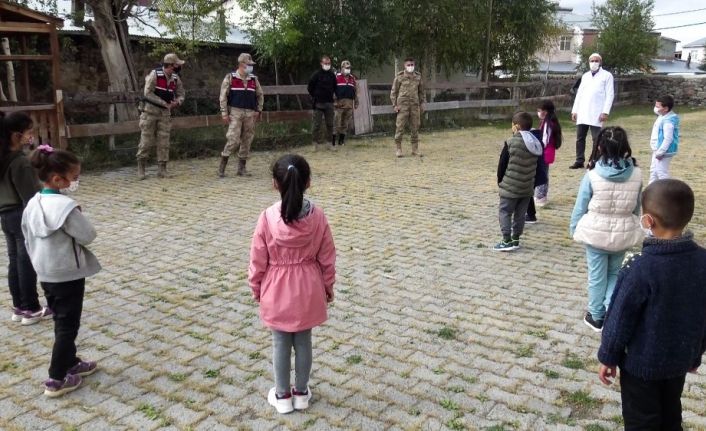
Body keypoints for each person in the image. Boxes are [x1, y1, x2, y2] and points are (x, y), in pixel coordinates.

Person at [598, 179, 706, 430]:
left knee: (642, 421)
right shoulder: (703, 261)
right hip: (679, 361)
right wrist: (695, 354)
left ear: (648, 221)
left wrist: (608, 357)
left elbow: (619, 320)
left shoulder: (639, 268)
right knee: (670, 414)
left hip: (641, 367)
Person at [248, 154, 336, 414]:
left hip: (276, 288)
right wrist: (327, 287)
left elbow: (257, 260)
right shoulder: (318, 217)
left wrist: (256, 288)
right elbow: (327, 257)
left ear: (275, 184)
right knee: (304, 341)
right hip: (308, 287)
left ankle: (282, 395)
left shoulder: (267, 218)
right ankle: (301, 393)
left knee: (280, 343)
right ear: (308, 182)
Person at [22, 146, 101, 397]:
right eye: (74, 177)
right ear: (58, 179)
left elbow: (26, 237)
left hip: (45, 272)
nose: (75, 182)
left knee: (61, 319)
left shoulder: (33, 203)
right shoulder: (66, 207)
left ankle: (70, 361)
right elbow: (88, 235)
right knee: (68, 325)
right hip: (67, 273)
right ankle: (56, 378)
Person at [570, 127, 643, 332]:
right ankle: (613, 310)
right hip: (622, 233)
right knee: (614, 274)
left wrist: (574, 228)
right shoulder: (637, 174)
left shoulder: (592, 174)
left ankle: (596, 315)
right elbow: (636, 206)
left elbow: (580, 204)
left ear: (600, 146)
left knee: (596, 276)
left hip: (595, 234)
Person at [0, 112, 52, 325]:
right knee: (26, 261)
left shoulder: (3, 156)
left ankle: (19, 306)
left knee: (15, 260)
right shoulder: (20, 162)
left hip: (5, 215)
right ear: (15, 135)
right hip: (20, 213)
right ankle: (31, 307)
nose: (32, 136)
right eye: (29, 132)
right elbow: (31, 196)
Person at [494, 112, 543, 251]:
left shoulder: (510, 142)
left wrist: (500, 182)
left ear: (516, 126)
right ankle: (516, 239)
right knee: (520, 215)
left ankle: (506, 240)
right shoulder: (536, 144)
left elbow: (502, 166)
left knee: (505, 212)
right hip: (527, 188)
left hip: (510, 188)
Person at [136, 53, 186, 179]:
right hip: (150, 113)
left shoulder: (175, 78)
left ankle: (162, 169)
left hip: (165, 114)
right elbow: (147, 93)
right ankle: (141, 169)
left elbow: (181, 93)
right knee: (146, 141)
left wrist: (178, 101)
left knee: (164, 141)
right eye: (177, 65)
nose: (179, 67)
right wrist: (164, 103)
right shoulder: (155, 75)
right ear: (170, 65)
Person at [218, 53, 264, 177]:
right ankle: (222, 166)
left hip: (250, 112)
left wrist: (258, 110)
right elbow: (223, 96)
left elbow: (260, 95)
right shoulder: (230, 77)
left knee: (247, 139)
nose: (250, 67)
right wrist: (224, 112)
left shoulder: (253, 79)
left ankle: (241, 168)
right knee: (233, 138)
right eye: (248, 65)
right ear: (242, 64)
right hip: (235, 112)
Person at [570, 53, 614, 169]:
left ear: (600, 62)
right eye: (592, 60)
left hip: (597, 112)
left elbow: (610, 94)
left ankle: (594, 160)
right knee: (580, 138)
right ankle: (579, 160)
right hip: (583, 111)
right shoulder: (585, 76)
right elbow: (579, 94)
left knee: (597, 139)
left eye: (596, 60)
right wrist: (575, 110)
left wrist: (605, 112)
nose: (594, 62)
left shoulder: (607, 76)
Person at [526, 100, 563, 223]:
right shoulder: (548, 122)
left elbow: (545, 139)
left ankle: (541, 196)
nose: (538, 112)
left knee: (542, 173)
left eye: (539, 110)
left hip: (545, 151)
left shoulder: (548, 123)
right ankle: (542, 195)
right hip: (548, 151)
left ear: (545, 112)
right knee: (544, 172)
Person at [390, 57, 425, 158]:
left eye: (412, 65)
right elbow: (393, 92)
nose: (410, 67)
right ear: (404, 66)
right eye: (408, 65)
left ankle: (415, 149)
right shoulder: (400, 77)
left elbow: (422, 92)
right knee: (400, 127)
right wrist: (394, 105)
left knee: (415, 127)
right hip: (402, 106)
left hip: (414, 106)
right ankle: (398, 149)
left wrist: (422, 103)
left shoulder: (418, 77)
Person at [307, 56, 337, 151]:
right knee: (316, 125)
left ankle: (329, 143)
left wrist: (335, 97)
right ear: (321, 63)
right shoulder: (316, 75)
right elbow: (310, 87)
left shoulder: (332, 75)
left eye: (328, 63)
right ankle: (314, 144)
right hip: (318, 103)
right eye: (325, 63)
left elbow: (335, 87)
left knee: (330, 124)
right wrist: (315, 96)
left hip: (329, 103)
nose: (327, 65)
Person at [649, 94, 679, 184]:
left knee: (662, 174)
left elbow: (668, 139)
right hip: (657, 149)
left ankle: (667, 194)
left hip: (663, 151)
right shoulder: (663, 115)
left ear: (665, 108)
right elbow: (657, 111)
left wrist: (660, 152)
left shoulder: (668, 122)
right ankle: (650, 192)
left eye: (658, 106)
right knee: (653, 172)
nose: (656, 108)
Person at [333, 60, 358, 146]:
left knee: (345, 124)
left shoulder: (352, 78)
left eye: (349, 68)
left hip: (349, 104)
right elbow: (332, 91)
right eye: (347, 68)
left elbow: (355, 91)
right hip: (339, 105)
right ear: (342, 68)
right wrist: (334, 101)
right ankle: (332, 142)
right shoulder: (336, 77)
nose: (348, 69)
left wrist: (356, 102)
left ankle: (341, 141)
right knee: (337, 122)